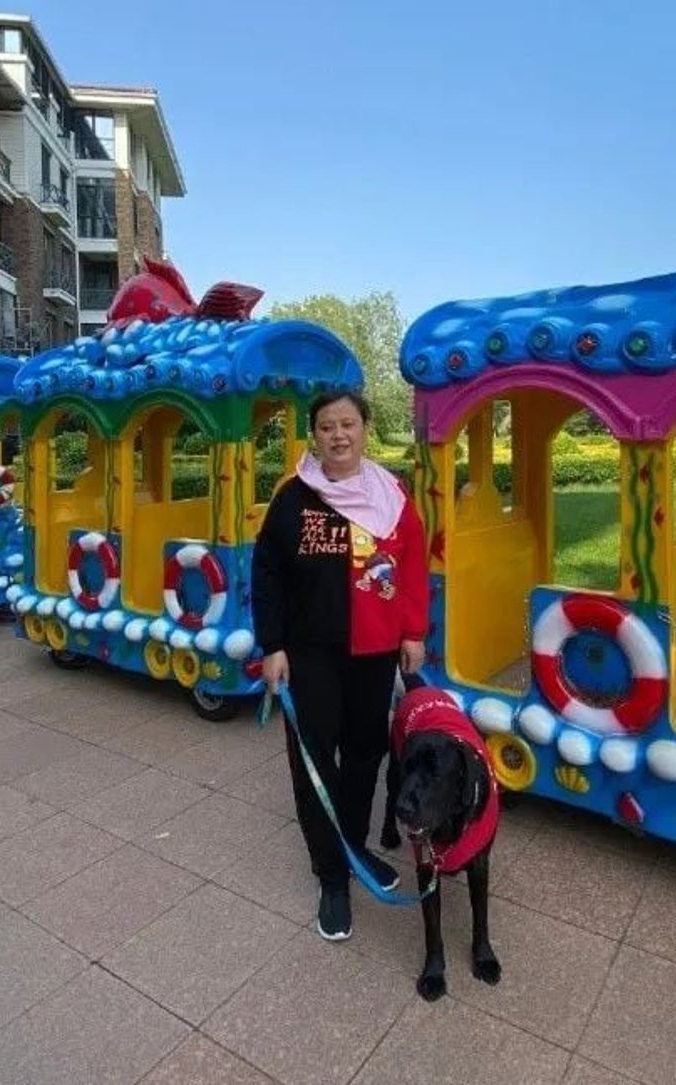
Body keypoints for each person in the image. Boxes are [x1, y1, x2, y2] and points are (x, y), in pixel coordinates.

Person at [252, 391, 429, 941]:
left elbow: (415, 565)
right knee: (314, 761)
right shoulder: (294, 496)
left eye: (348, 424)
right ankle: (331, 875)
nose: (338, 435)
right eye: (327, 426)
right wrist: (273, 646)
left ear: (365, 429)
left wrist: (414, 631)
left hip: (375, 651)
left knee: (364, 755)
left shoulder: (393, 494)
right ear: (315, 435)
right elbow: (268, 574)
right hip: (311, 653)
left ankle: (352, 847)